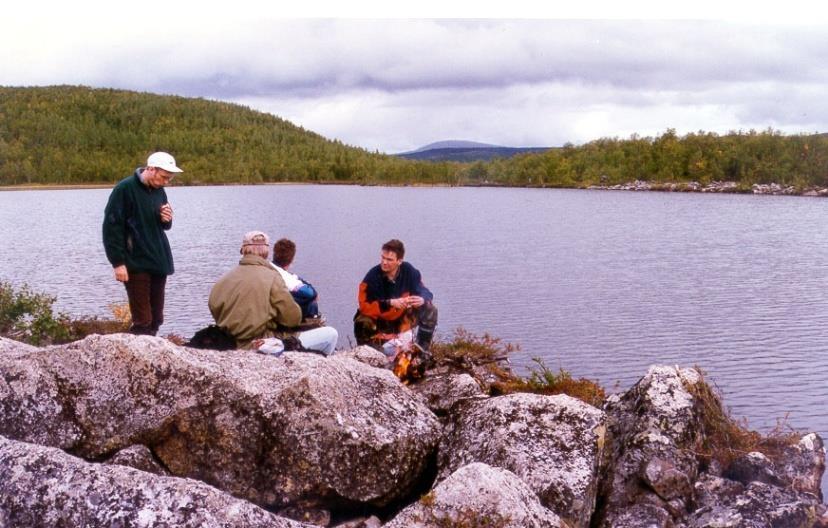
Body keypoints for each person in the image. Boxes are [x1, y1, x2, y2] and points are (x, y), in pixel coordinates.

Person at [208, 231, 338, 355]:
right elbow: (292, 318)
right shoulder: (272, 277)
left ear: (243, 250)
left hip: (227, 343)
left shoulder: (223, 280)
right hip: (261, 344)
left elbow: (213, 306)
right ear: (266, 252)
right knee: (331, 334)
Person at [102, 151, 182, 336]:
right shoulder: (124, 189)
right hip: (135, 263)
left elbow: (163, 225)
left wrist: (166, 219)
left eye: (169, 178)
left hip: (158, 261)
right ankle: (134, 359)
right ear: (151, 169)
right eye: (164, 177)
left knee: (156, 318)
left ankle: (150, 356)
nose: (166, 182)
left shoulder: (159, 190)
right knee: (143, 320)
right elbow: (111, 227)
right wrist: (118, 263)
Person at [354, 239, 438, 355]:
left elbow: (424, 290)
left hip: (401, 319)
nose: (384, 262)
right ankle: (369, 355)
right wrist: (390, 303)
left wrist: (422, 299)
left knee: (430, 308)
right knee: (362, 322)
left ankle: (421, 352)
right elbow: (364, 306)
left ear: (399, 261)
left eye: (389, 260)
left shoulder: (409, 271)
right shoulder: (372, 277)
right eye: (383, 258)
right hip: (380, 321)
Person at [271, 238, 321, 320]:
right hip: (279, 316)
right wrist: (313, 291)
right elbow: (310, 293)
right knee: (312, 303)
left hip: (268, 307)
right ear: (291, 260)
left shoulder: (268, 266)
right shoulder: (287, 278)